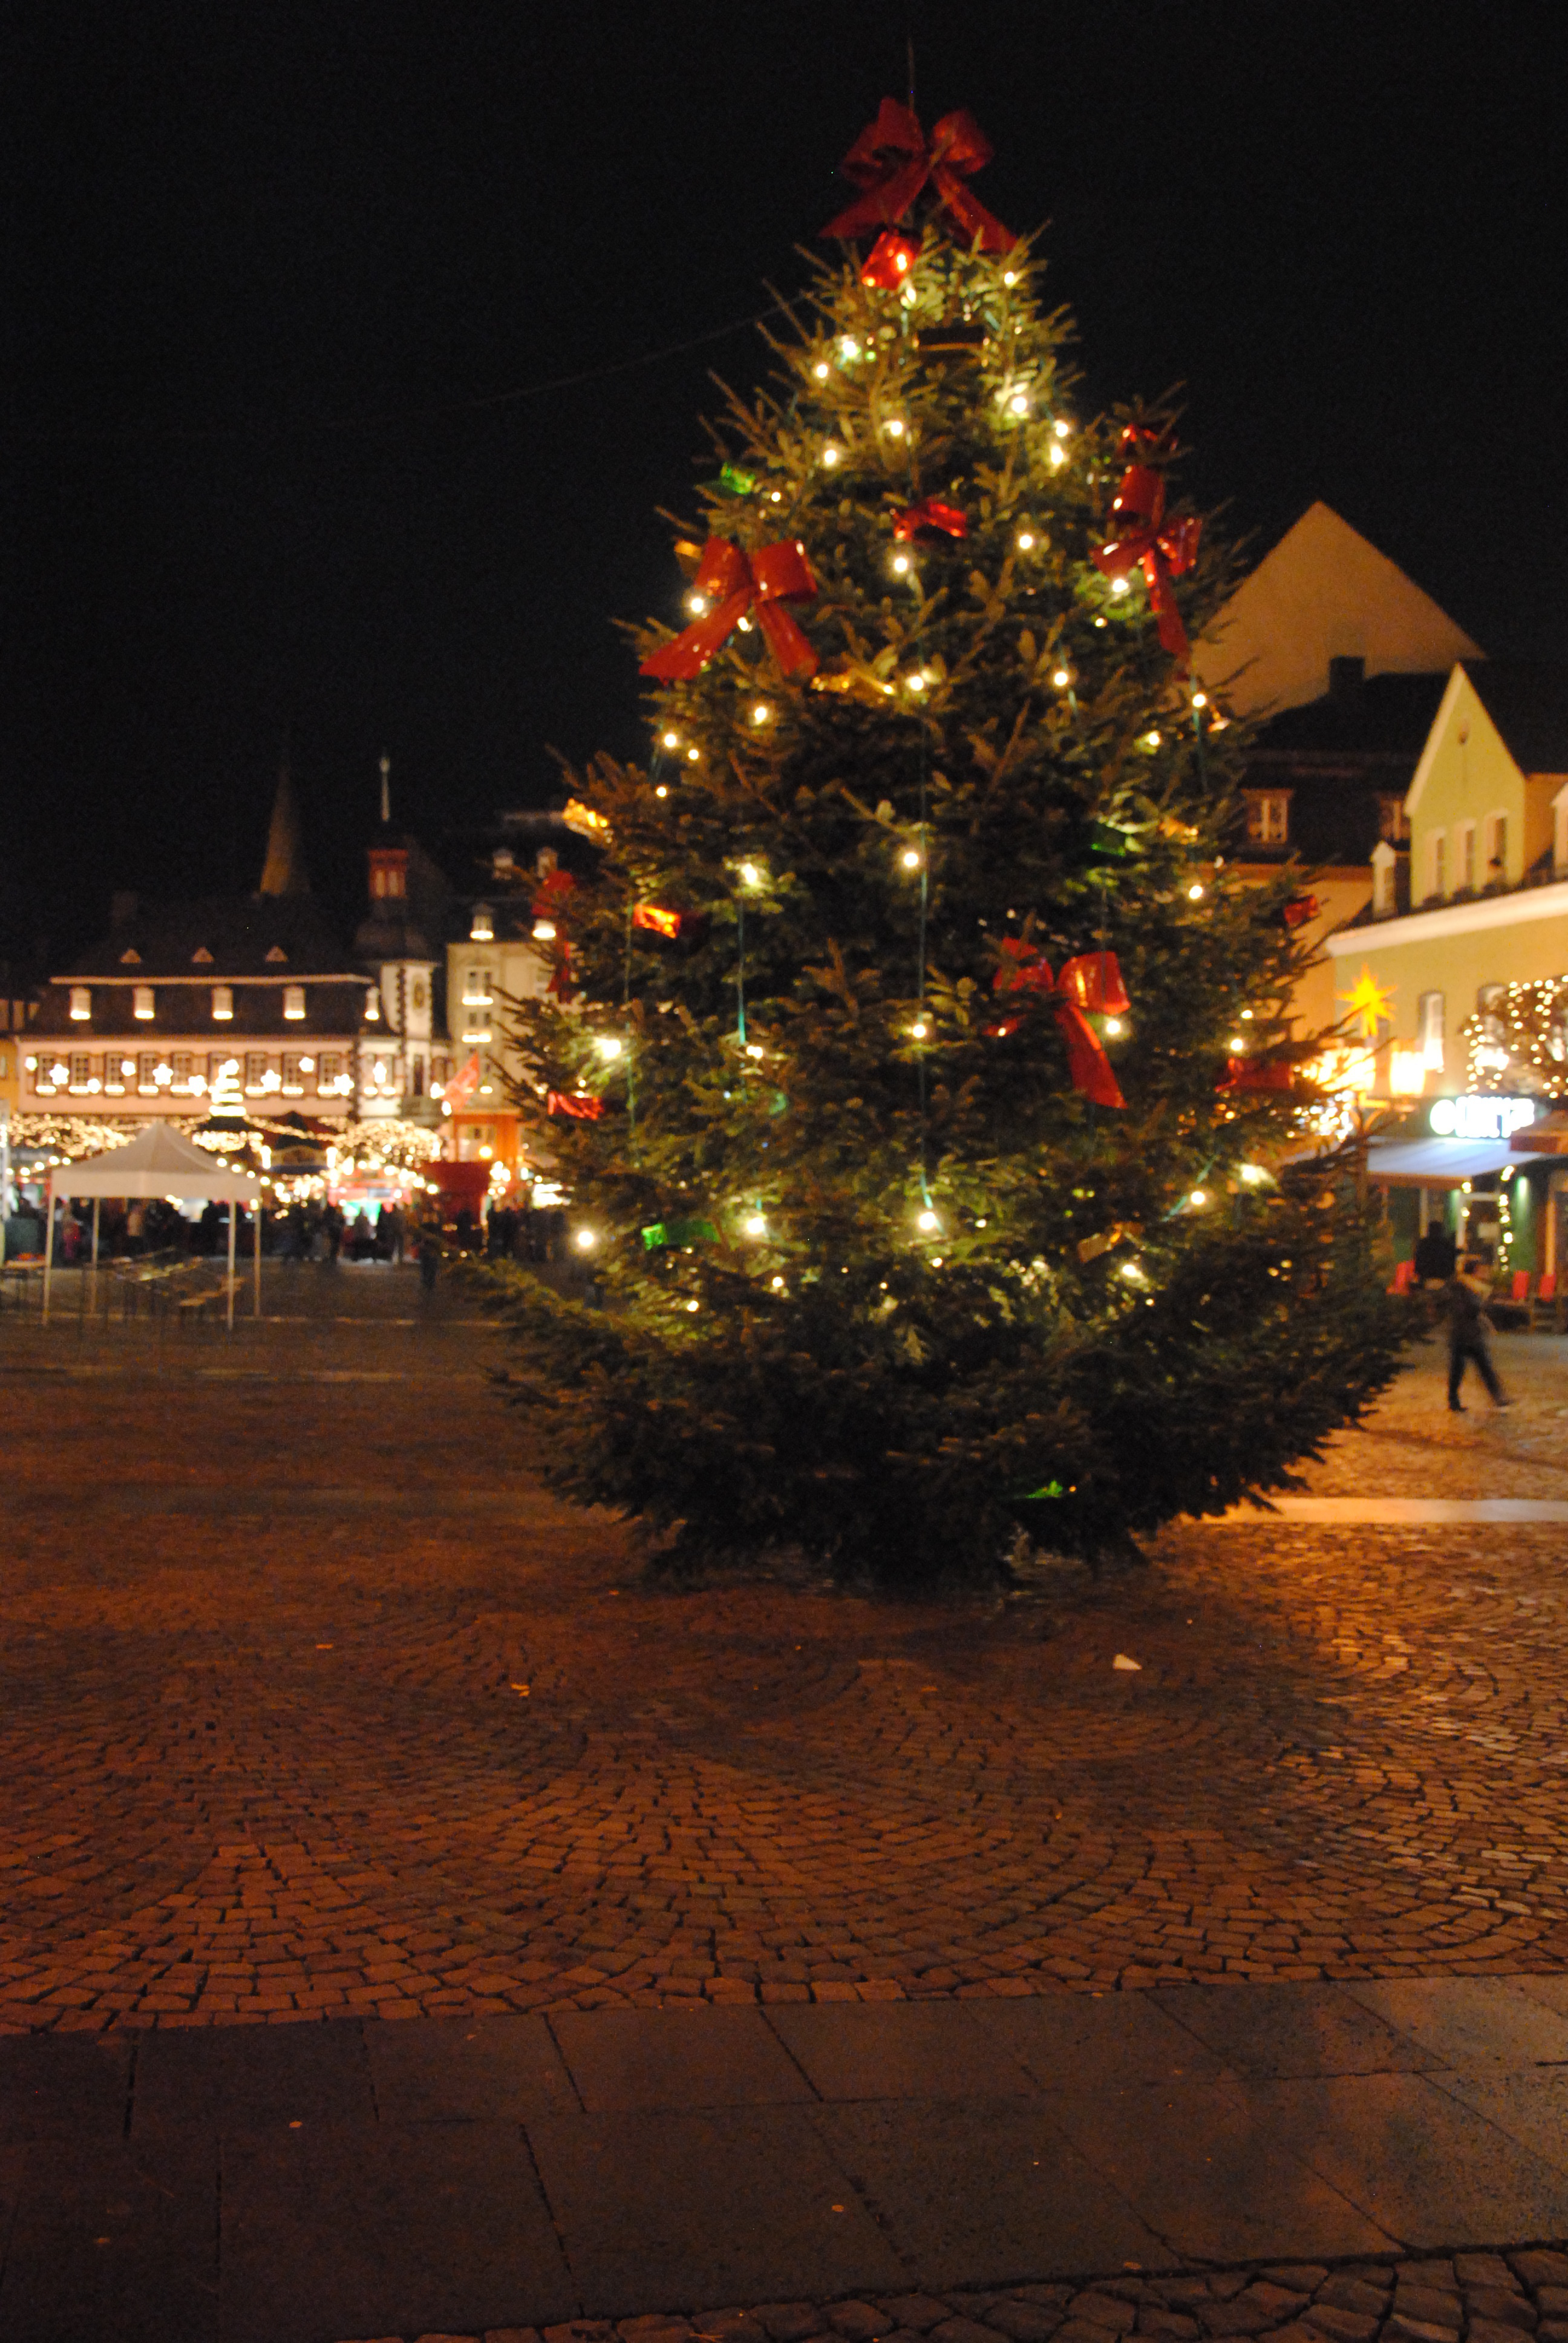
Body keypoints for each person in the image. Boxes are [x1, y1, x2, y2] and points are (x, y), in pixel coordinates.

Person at [1440, 1256, 1511, 1413]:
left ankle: (1497, 1396)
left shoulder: (1473, 1287)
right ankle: (1456, 1400)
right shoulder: (1462, 1286)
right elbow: (1467, 1309)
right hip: (1464, 1334)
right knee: (1462, 1369)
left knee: (1479, 1367)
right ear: (1473, 1272)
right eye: (1481, 1270)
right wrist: (1479, 1302)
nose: (1485, 1274)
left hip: (1469, 1333)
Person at [1413, 1216, 1457, 1286]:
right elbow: (1452, 1263)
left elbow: (1418, 1262)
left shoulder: (1423, 1244)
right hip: (1444, 1279)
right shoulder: (1447, 1245)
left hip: (1426, 1280)